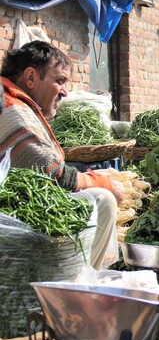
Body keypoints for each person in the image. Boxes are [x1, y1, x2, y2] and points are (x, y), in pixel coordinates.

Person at [0, 41, 123, 270]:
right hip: (8, 215)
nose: (65, 92)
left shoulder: (11, 99)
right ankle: (78, 285)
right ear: (30, 77)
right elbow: (52, 174)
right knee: (102, 200)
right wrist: (102, 182)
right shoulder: (11, 109)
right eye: (59, 81)